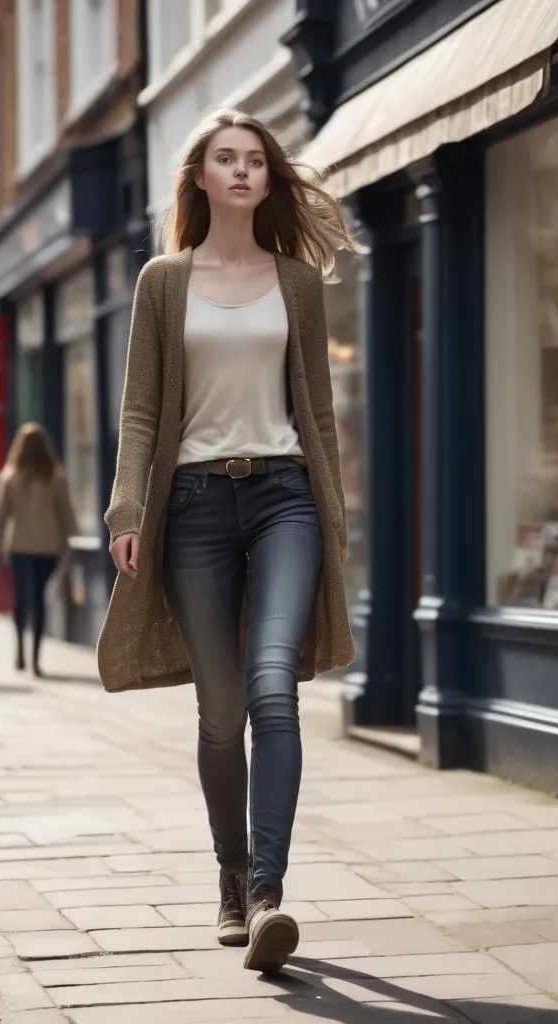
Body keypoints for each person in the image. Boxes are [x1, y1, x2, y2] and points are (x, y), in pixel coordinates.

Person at [97, 109, 356, 974]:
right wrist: (128, 509)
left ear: (268, 178)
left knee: (272, 684)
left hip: (285, 496)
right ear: (200, 177)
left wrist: (333, 511)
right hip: (195, 510)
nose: (242, 171)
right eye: (225, 158)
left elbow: (316, 412)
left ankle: (270, 895)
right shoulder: (163, 283)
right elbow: (139, 412)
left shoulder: (299, 284)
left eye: (255, 159)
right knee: (221, 713)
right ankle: (231, 876)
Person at [0, 423, 77, 677]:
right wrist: (72, 539)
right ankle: (36, 657)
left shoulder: (9, 476)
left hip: (18, 545)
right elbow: (67, 513)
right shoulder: (55, 475)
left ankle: (19, 648)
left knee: (21, 597)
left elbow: (0, 514)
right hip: (48, 546)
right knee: (38, 599)